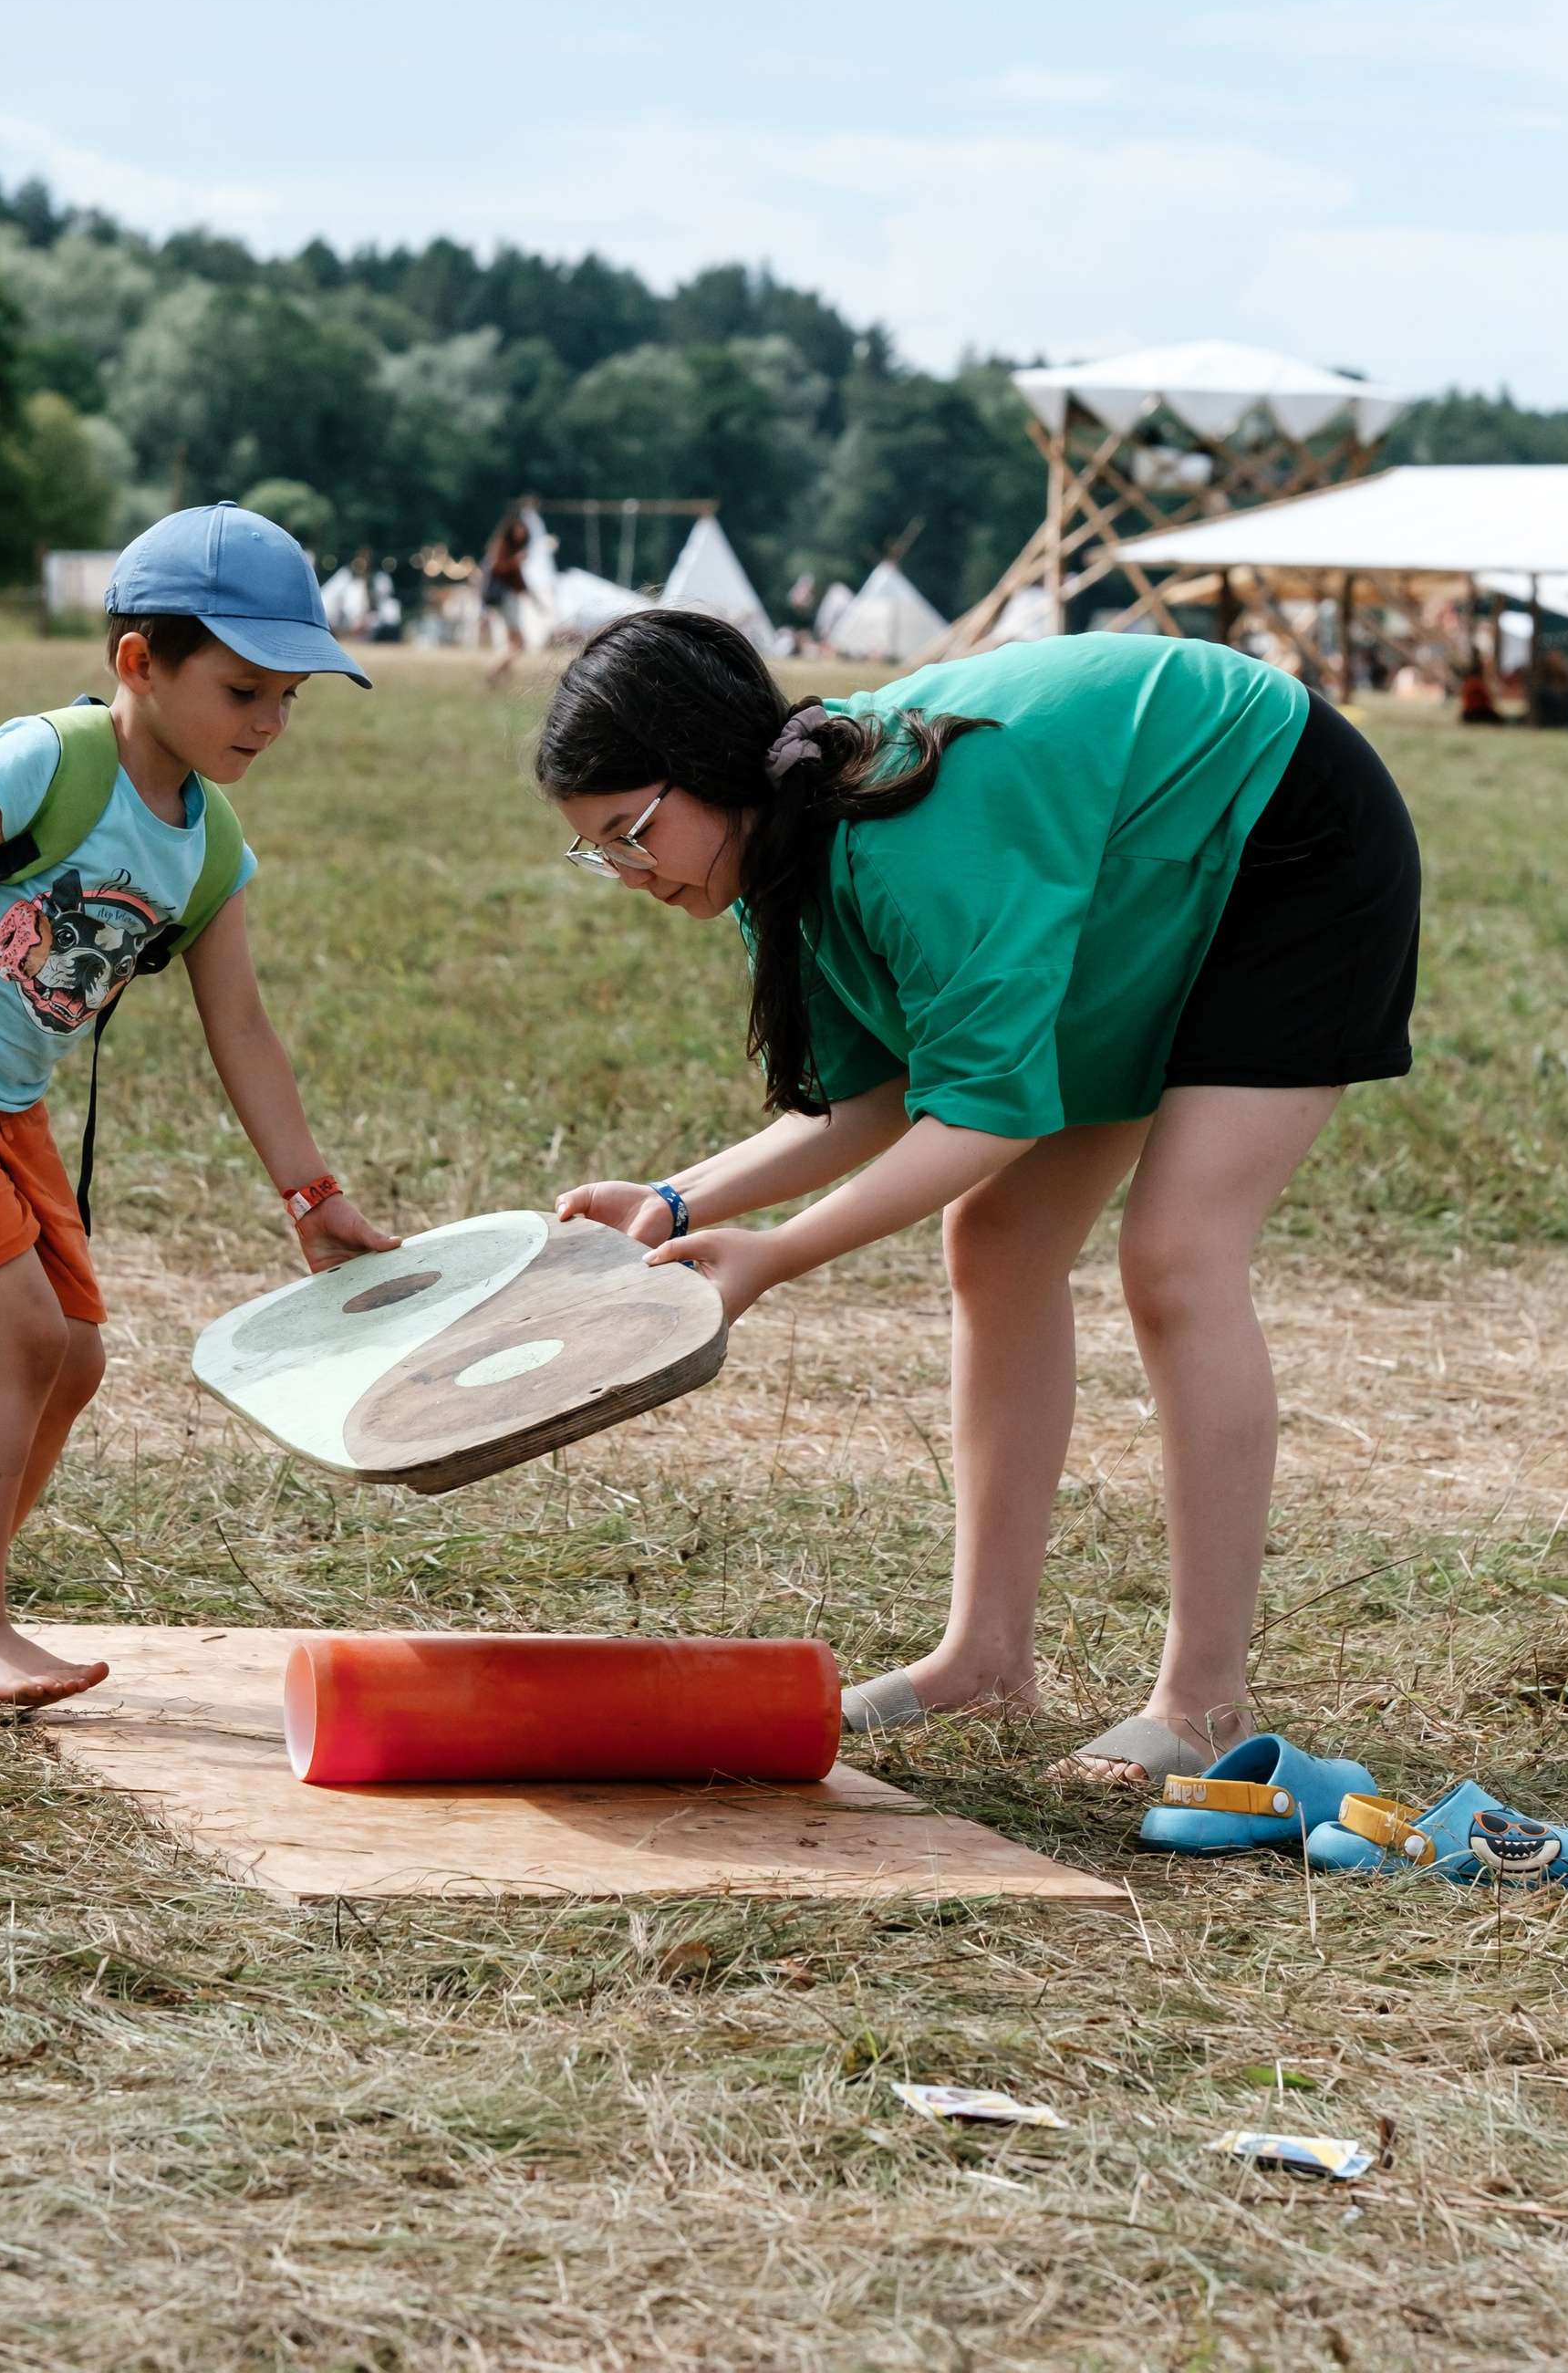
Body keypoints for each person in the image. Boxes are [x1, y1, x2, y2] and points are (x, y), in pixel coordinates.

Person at [537, 612, 1421, 1792]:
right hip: (1142, 866)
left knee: (1175, 1259)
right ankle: (985, 1657)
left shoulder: (902, 838)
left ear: (713, 769)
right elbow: (888, 1097)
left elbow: (990, 1114)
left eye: (635, 833)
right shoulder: (783, 857)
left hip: (1282, 836)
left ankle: (1203, 1707)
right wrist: (674, 1200)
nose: (630, 873)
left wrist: (780, 1255)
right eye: (599, 851)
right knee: (996, 1240)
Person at [0, 505, 400, 1711]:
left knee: (78, 1360)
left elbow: (242, 1027)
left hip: (10, 1109)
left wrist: (313, 1196)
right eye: (244, 689)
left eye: (289, 699)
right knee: (29, 1338)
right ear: (139, 665)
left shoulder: (211, 850)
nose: (268, 722)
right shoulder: (51, 759)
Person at [477, 506, 532, 686]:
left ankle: (504, 681)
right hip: (507, 598)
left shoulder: (509, 547)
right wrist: (516, 562)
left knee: (510, 641)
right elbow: (500, 569)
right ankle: (492, 668)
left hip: (507, 597)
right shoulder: (504, 547)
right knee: (519, 642)